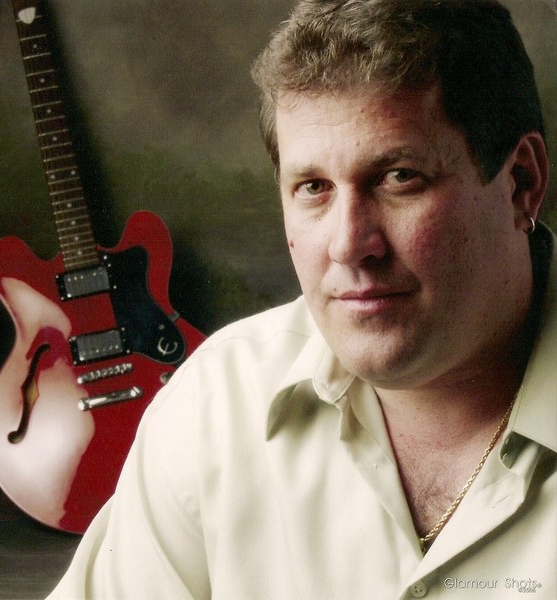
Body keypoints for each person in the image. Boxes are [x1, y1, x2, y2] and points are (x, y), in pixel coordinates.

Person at [49, 1, 555, 597]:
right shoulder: (215, 406)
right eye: (313, 187)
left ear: (521, 183)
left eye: (399, 177)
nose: (348, 245)